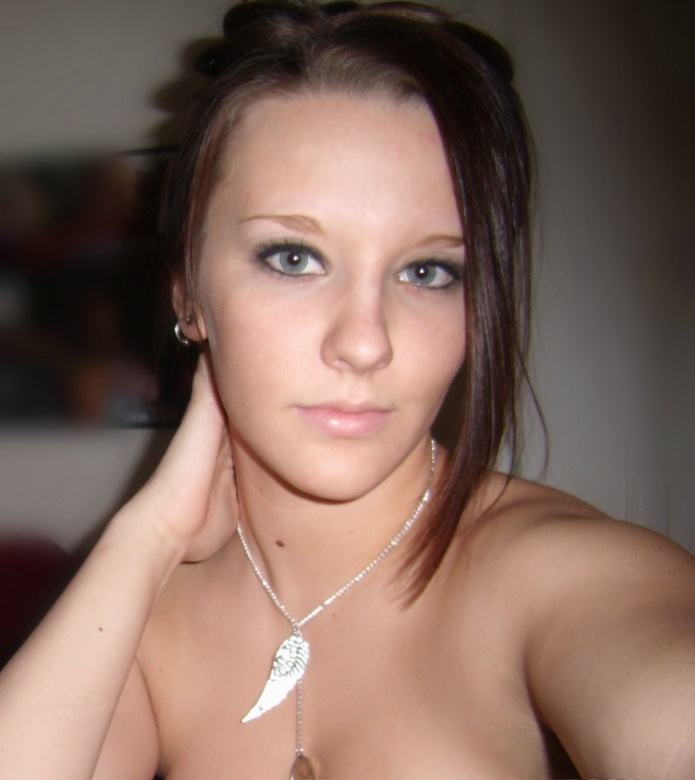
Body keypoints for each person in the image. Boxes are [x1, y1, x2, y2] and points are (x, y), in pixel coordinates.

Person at [1, 1, 694, 778]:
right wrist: (148, 533)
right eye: (293, 258)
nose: (365, 342)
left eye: (427, 271)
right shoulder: (143, 614)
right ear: (187, 296)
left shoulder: (561, 580)